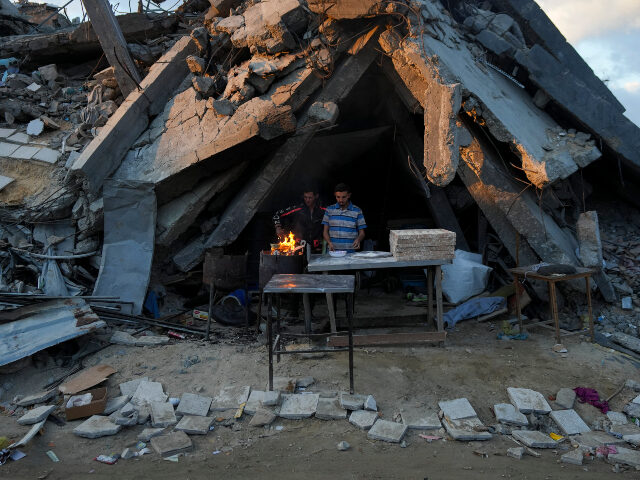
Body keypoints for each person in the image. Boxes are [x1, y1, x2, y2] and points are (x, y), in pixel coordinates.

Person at [272, 186, 325, 252]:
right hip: (299, 247)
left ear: (316, 196)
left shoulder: (323, 210)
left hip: (317, 248)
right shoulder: (297, 209)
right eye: (305, 197)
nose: (307, 200)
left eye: (310, 198)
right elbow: (277, 214)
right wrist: (278, 227)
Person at [322, 183, 366, 252]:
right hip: (333, 252)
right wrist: (329, 242)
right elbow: (325, 232)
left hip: (350, 253)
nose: (340, 200)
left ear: (349, 195)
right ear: (335, 195)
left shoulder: (357, 211)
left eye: (343, 197)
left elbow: (362, 233)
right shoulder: (329, 210)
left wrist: (358, 240)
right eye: (338, 197)